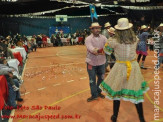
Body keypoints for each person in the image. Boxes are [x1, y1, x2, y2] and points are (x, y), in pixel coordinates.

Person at [101, 18, 149, 122]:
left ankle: (114, 117)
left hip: (120, 66)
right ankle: (142, 118)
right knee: (136, 91)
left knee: (117, 92)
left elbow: (107, 51)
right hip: (133, 66)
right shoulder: (135, 39)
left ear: (117, 29)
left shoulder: (113, 41)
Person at [85, 22, 107, 102]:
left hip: (101, 62)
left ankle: (98, 92)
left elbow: (108, 47)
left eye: (98, 28)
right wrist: (104, 50)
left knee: (101, 78)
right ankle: (94, 95)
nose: (98, 30)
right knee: (92, 80)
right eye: (96, 28)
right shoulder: (88, 39)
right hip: (91, 62)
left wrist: (107, 49)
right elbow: (92, 50)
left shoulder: (104, 38)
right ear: (92, 29)